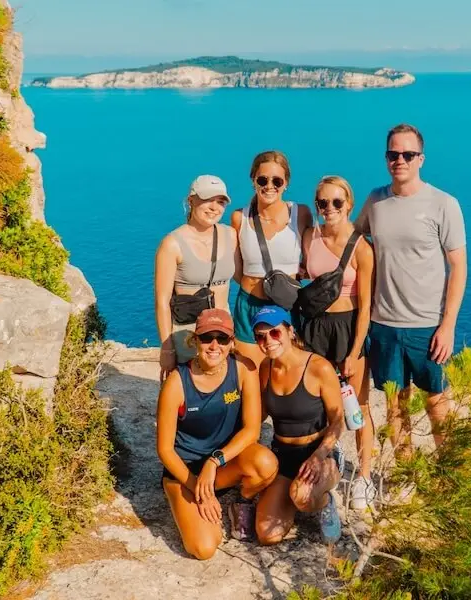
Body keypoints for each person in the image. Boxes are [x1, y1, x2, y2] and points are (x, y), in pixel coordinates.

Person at [355, 123, 468, 456]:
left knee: (437, 403)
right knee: (395, 405)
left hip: (426, 326)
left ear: (421, 159)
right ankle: (407, 473)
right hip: (385, 324)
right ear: (386, 158)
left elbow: (458, 266)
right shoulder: (375, 200)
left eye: (408, 154)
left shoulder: (443, 204)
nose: (399, 160)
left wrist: (447, 327)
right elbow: (354, 239)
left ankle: (448, 474)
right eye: (393, 154)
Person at [156, 308, 278, 559]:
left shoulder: (244, 370)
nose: (214, 346)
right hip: (185, 471)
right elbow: (165, 450)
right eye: (206, 338)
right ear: (195, 341)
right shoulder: (177, 383)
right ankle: (181, 500)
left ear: (232, 343)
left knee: (266, 463)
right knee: (204, 548)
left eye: (222, 339)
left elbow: (252, 429)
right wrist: (198, 489)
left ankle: (241, 501)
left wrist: (215, 461)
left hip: (223, 465)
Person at [300, 175, 376, 510]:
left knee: (358, 406)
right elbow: (304, 280)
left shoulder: (362, 246)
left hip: (348, 327)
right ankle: (325, 466)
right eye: (322, 203)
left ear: (349, 205)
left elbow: (367, 305)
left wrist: (356, 349)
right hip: (316, 329)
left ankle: (364, 476)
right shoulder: (309, 236)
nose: (329, 209)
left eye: (336, 202)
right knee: (319, 405)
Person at [251, 306, 346, 546]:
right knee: (267, 535)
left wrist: (319, 455)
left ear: (290, 331)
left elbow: (337, 421)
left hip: (320, 453)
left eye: (274, 333)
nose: (268, 341)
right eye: (261, 336)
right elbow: (259, 414)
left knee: (302, 497)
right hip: (283, 455)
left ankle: (324, 502)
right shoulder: (266, 368)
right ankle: (293, 498)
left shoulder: (319, 368)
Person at [231, 151, 313, 369]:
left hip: (286, 307)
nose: (269, 186)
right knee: (250, 375)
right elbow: (236, 271)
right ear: (253, 181)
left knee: (285, 375)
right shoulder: (240, 218)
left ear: (286, 183)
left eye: (277, 180)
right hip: (249, 306)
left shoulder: (301, 213)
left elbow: (311, 257)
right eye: (262, 180)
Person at [155, 175, 237, 381]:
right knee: (188, 391)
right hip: (187, 334)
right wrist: (167, 349)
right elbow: (162, 302)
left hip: (222, 328)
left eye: (220, 202)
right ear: (191, 200)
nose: (214, 207)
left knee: (222, 390)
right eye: (207, 199)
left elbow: (247, 275)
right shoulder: (172, 244)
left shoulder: (230, 235)